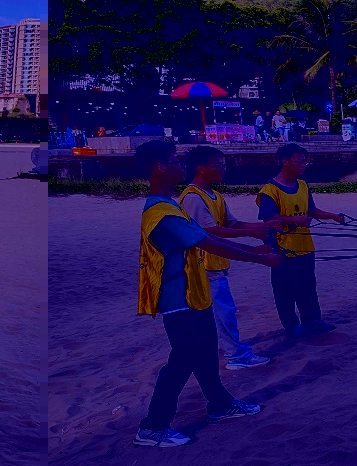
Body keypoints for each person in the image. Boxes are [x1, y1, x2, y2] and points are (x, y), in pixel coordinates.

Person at [133, 140, 283, 448]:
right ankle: (152, 427)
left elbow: (207, 236)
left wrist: (253, 248)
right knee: (182, 361)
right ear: (160, 167)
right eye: (174, 160)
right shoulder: (161, 212)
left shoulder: (171, 205)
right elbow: (208, 243)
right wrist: (257, 257)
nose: (180, 165)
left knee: (204, 354)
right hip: (178, 299)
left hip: (195, 295)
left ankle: (220, 405)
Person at [179, 146, 276, 370]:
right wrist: (252, 235)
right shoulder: (193, 197)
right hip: (204, 265)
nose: (224, 169)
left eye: (224, 165)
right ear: (202, 169)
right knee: (224, 312)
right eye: (219, 165)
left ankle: (223, 349)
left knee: (218, 311)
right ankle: (236, 356)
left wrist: (260, 227)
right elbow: (209, 231)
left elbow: (231, 223)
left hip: (216, 262)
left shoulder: (214, 195)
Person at [257, 144, 346, 338]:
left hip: (305, 246)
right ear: (285, 161)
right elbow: (269, 218)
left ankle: (312, 321)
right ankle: (291, 325)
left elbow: (312, 210)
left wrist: (333, 216)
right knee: (285, 288)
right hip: (281, 249)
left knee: (308, 285)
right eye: (299, 161)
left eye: (305, 161)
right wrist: (294, 220)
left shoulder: (303, 185)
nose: (303, 165)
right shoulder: (269, 190)